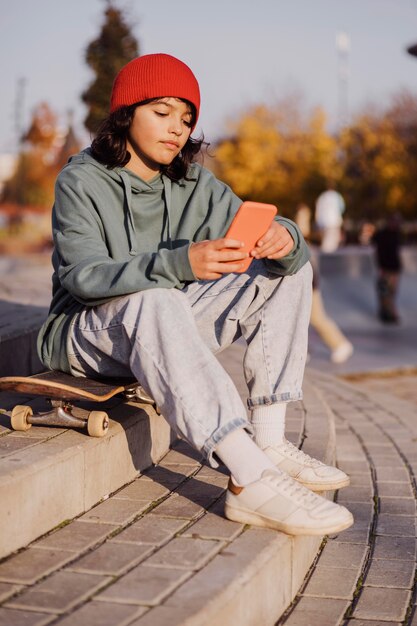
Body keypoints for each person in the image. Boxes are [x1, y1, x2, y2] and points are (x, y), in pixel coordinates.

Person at [37, 53, 353, 536]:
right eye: (161, 112)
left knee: (288, 271)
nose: (176, 129)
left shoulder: (193, 184)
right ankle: (249, 478)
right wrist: (181, 264)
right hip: (85, 335)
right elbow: (83, 277)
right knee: (157, 296)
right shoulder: (80, 180)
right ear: (126, 113)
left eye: (186, 119)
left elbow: (271, 229)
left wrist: (285, 238)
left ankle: (268, 440)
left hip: (161, 329)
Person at [295, 204, 354, 364]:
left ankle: (340, 344)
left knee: (317, 318)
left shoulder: (302, 241)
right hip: (300, 286)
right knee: (297, 321)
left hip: (309, 287)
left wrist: (311, 286)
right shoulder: (297, 237)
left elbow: (310, 268)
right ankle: (302, 350)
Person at [372, 214, 403, 323]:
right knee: (384, 291)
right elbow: (378, 252)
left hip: (394, 268)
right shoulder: (382, 235)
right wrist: (381, 267)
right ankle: (386, 313)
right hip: (385, 268)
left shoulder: (396, 234)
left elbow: (396, 253)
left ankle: (389, 312)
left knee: (391, 291)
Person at [315, 184, 345, 253]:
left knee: (326, 239)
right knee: (333, 240)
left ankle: (326, 253)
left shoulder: (322, 197)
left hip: (324, 222)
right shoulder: (337, 196)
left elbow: (318, 209)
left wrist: (318, 221)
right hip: (335, 221)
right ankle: (331, 254)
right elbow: (342, 208)